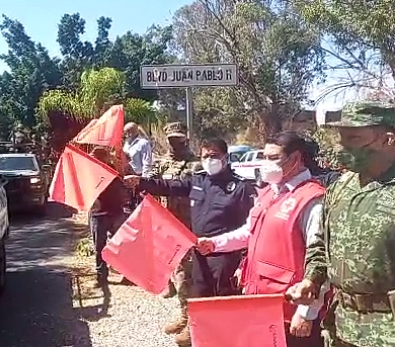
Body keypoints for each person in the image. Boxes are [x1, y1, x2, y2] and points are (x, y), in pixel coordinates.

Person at [196, 131, 326, 347]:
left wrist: (306, 313)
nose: (265, 163)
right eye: (264, 157)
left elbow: (321, 260)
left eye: (273, 158)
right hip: (260, 302)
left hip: (290, 308)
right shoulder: (268, 193)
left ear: (295, 159)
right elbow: (249, 232)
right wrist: (215, 243)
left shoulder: (312, 200)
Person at [124, 137, 256, 347]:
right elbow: (169, 186)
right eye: (205, 156)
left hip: (226, 256)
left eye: (214, 156)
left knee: (223, 301)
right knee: (198, 296)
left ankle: (224, 339)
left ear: (225, 157)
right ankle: (198, 333)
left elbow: (251, 227)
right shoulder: (198, 180)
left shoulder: (241, 187)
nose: (209, 160)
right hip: (200, 252)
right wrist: (140, 182)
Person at [286, 101, 395, 347]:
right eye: (340, 138)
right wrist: (311, 279)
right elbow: (321, 243)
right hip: (342, 327)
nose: (341, 147)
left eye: (353, 138)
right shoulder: (340, 188)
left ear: (388, 140)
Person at [152, 122, 201, 301]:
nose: (175, 144)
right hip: (164, 215)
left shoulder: (195, 164)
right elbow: (150, 183)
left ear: (186, 140)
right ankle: (168, 283)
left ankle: (186, 297)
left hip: (185, 219)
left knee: (184, 260)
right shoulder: (161, 163)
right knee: (163, 252)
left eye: (179, 140)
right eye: (172, 140)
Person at [89, 146, 130, 287]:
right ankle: (101, 277)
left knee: (118, 245)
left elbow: (124, 187)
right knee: (100, 247)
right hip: (100, 214)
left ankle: (125, 274)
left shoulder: (114, 171)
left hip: (114, 213)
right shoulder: (90, 173)